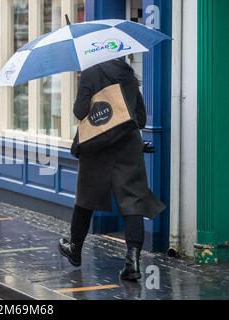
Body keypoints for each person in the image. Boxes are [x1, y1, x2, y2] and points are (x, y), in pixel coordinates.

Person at [59, 59, 165, 282]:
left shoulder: (89, 74)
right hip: (128, 147)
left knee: (85, 200)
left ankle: (75, 250)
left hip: (96, 147)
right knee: (132, 200)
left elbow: (80, 112)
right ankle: (132, 261)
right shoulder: (127, 73)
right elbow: (141, 118)